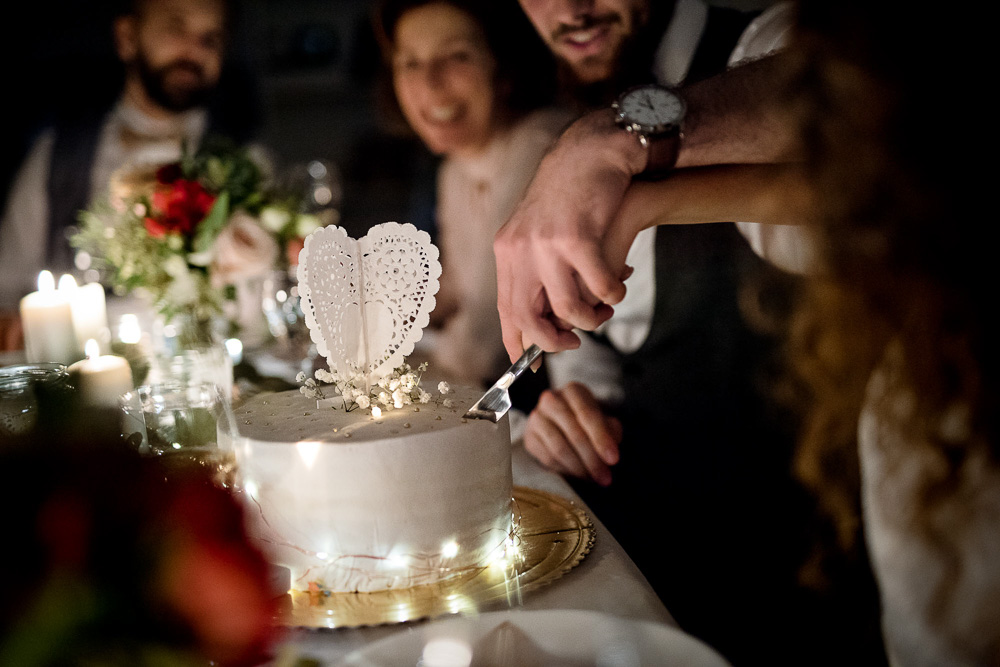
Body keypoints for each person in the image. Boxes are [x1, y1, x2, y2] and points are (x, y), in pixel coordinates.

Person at [500, 0, 1000, 663]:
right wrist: (576, 399)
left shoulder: (763, 43)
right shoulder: (581, 129)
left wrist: (609, 138)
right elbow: (597, 341)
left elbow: (853, 106)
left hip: (799, 578)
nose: (568, 6)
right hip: (658, 554)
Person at [0, 0, 261, 350]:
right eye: (176, 27)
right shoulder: (59, 156)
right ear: (127, 37)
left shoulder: (247, 165)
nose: (194, 50)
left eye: (211, 39)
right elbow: (6, 288)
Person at [373, 0, 571, 389]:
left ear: (504, 68)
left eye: (456, 56)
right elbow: (454, 289)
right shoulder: (456, 168)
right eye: (410, 62)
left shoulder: (541, 144)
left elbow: (484, 334)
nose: (429, 83)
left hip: (562, 399)